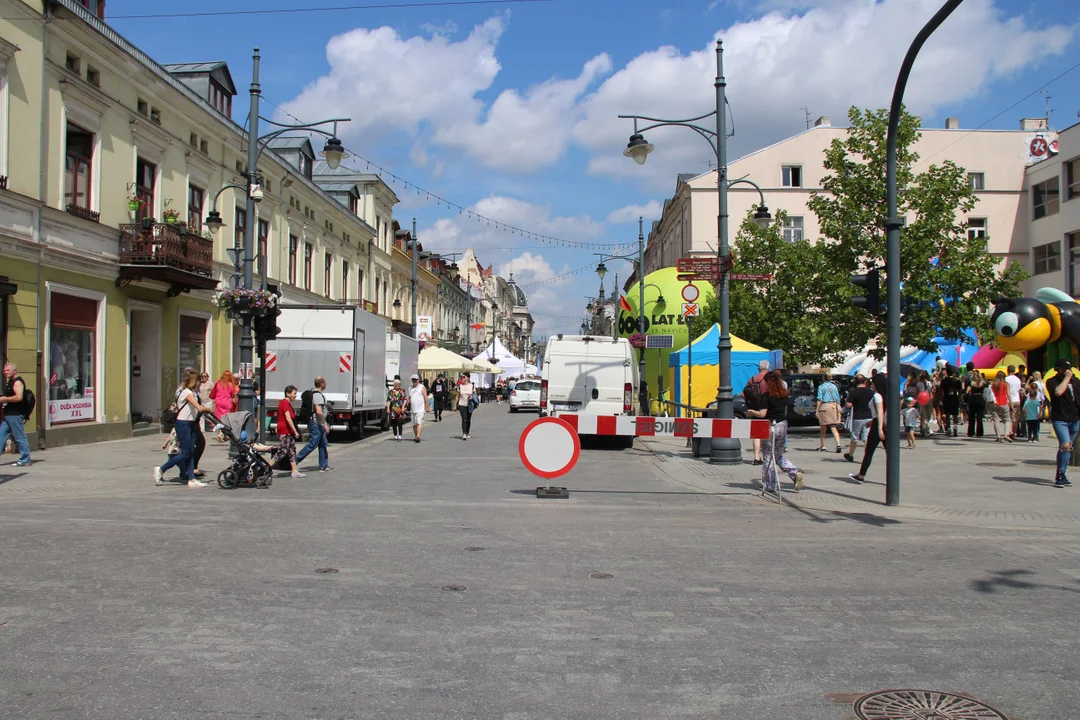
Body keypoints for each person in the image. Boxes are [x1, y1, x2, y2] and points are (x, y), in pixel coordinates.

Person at [154, 368, 213, 487]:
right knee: (185, 453)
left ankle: (191, 479)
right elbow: (199, 408)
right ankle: (161, 469)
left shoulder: (193, 392)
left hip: (190, 423)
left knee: (190, 451)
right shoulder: (187, 393)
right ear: (193, 380)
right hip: (183, 424)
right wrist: (209, 409)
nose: (200, 382)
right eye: (198, 380)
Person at [747, 370, 803, 493]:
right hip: (782, 425)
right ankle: (794, 472)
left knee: (767, 456)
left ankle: (769, 484)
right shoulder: (784, 395)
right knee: (778, 455)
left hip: (770, 426)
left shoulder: (766, 396)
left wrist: (751, 412)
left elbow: (762, 414)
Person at [1046, 358, 1080, 487]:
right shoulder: (1052, 382)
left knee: (1068, 448)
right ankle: (1060, 473)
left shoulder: (1076, 381)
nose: (1067, 371)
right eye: (1064, 369)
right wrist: (1066, 379)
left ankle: (1062, 473)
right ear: (1058, 369)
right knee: (1065, 445)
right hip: (1060, 419)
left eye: (1068, 369)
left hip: (1075, 419)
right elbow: (1058, 392)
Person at [849, 373, 888, 484]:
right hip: (881, 423)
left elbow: (880, 411)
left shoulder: (877, 396)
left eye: (873, 383)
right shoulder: (887, 395)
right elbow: (883, 412)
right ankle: (892, 477)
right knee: (889, 452)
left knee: (869, 451)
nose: (872, 385)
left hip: (878, 425)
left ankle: (861, 475)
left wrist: (879, 427)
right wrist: (873, 421)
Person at [295, 376, 332, 472]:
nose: (326, 384)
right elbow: (319, 411)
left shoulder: (313, 393)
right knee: (312, 444)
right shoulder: (318, 396)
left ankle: (323, 465)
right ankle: (295, 460)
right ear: (322, 384)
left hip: (317, 423)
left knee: (323, 443)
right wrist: (325, 424)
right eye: (325, 382)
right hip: (316, 423)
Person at [0, 362, 32, 467]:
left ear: (14, 370)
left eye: (8, 370)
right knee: (1, 435)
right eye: (4, 371)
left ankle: (25, 459)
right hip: (8, 414)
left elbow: (19, 397)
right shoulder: (10, 381)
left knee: (19, 436)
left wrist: (4, 399)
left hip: (15, 414)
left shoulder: (18, 382)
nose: (5, 372)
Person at [744, 360, 772, 465]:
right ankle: (767, 456)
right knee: (766, 433)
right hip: (766, 409)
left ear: (758, 369)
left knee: (756, 434)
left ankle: (756, 457)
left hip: (753, 409)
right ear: (768, 368)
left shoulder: (752, 379)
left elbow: (744, 393)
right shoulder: (768, 380)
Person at [273, 385, 304, 478]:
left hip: (288, 431)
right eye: (294, 394)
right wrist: (295, 431)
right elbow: (288, 418)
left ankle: (294, 471)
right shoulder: (285, 403)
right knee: (282, 451)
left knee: (292, 451)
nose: (295, 396)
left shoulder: (287, 403)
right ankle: (266, 467)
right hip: (285, 431)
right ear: (288, 393)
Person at [843, 374, 875, 463]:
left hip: (857, 417)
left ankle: (851, 455)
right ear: (865, 381)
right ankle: (867, 456)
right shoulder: (871, 392)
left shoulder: (853, 392)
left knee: (854, 437)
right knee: (866, 438)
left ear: (855, 382)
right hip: (869, 416)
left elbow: (848, 405)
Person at [815, 372, 843, 453]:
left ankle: (823, 445)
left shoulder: (822, 387)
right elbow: (837, 398)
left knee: (823, 427)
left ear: (823, 378)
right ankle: (838, 444)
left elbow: (819, 399)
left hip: (825, 406)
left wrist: (817, 409)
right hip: (833, 406)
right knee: (833, 426)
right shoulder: (834, 386)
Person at [210, 370, 238, 441]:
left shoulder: (218, 383)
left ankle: (219, 433)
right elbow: (233, 394)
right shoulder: (230, 385)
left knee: (219, 418)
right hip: (227, 403)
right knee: (226, 419)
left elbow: (212, 390)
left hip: (219, 402)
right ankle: (224, 435)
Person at [990, 371, 1013, 442]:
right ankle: (1006, 434)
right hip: (1004, 403)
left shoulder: (992, 384)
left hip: (994, 403)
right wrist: (1011, 405)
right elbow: (1008, 395)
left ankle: (998, 437)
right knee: (1007, 419)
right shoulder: (1006, 384)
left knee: (996, 420)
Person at [940, 365, 962, 437]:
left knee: (947, 414)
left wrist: (941, 398)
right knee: (955, 414)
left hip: (946, 397)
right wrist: (959, 397)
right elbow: (960, 390)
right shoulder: (957, 381)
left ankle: (948, 429)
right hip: (954, 397)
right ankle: (955, 428)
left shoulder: (944, 381)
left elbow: (941, 391)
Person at [965, 371, 987, 438]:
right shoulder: (983, 383)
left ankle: (971, 432)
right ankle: (979, 432)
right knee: (979, 417)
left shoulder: (971, 383)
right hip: (980, 398)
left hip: (973, 399)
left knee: (972, 417)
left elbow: (967, 391)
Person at [1005, 365, 1024, 438]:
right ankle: (1014, 432)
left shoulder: (1006, 379)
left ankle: (1009, 432)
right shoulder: (1017, 379)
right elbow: (1019, 390)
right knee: (1015, 418)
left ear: (1007, 370)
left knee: (1009, 417)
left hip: (1009, 400)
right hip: (1017, 399)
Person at [408, 374, 428, 443]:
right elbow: (409, 397)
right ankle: (416, 435)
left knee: (419, 421)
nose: (414, 381)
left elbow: (425, 397)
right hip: (413, 409)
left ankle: (418, 436)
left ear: (418, 380)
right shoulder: (410, 388)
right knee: (414, 424)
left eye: (415, 380)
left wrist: (427, 406)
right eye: (413, 380)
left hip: (420, 409)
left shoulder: (422, 387)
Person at [457, 373, 476, 440]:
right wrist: (455, 405)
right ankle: (464, 433)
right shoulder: (460, 386)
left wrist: (472, 397)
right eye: (461, 377)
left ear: (468, 378)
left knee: (468, 419)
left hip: (470, 405)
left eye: (463, 377)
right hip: (462, 404)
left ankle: (467, 432)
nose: (462, 378)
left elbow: (474, 395)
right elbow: (457, 396)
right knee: (464, 419)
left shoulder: (472, 386)